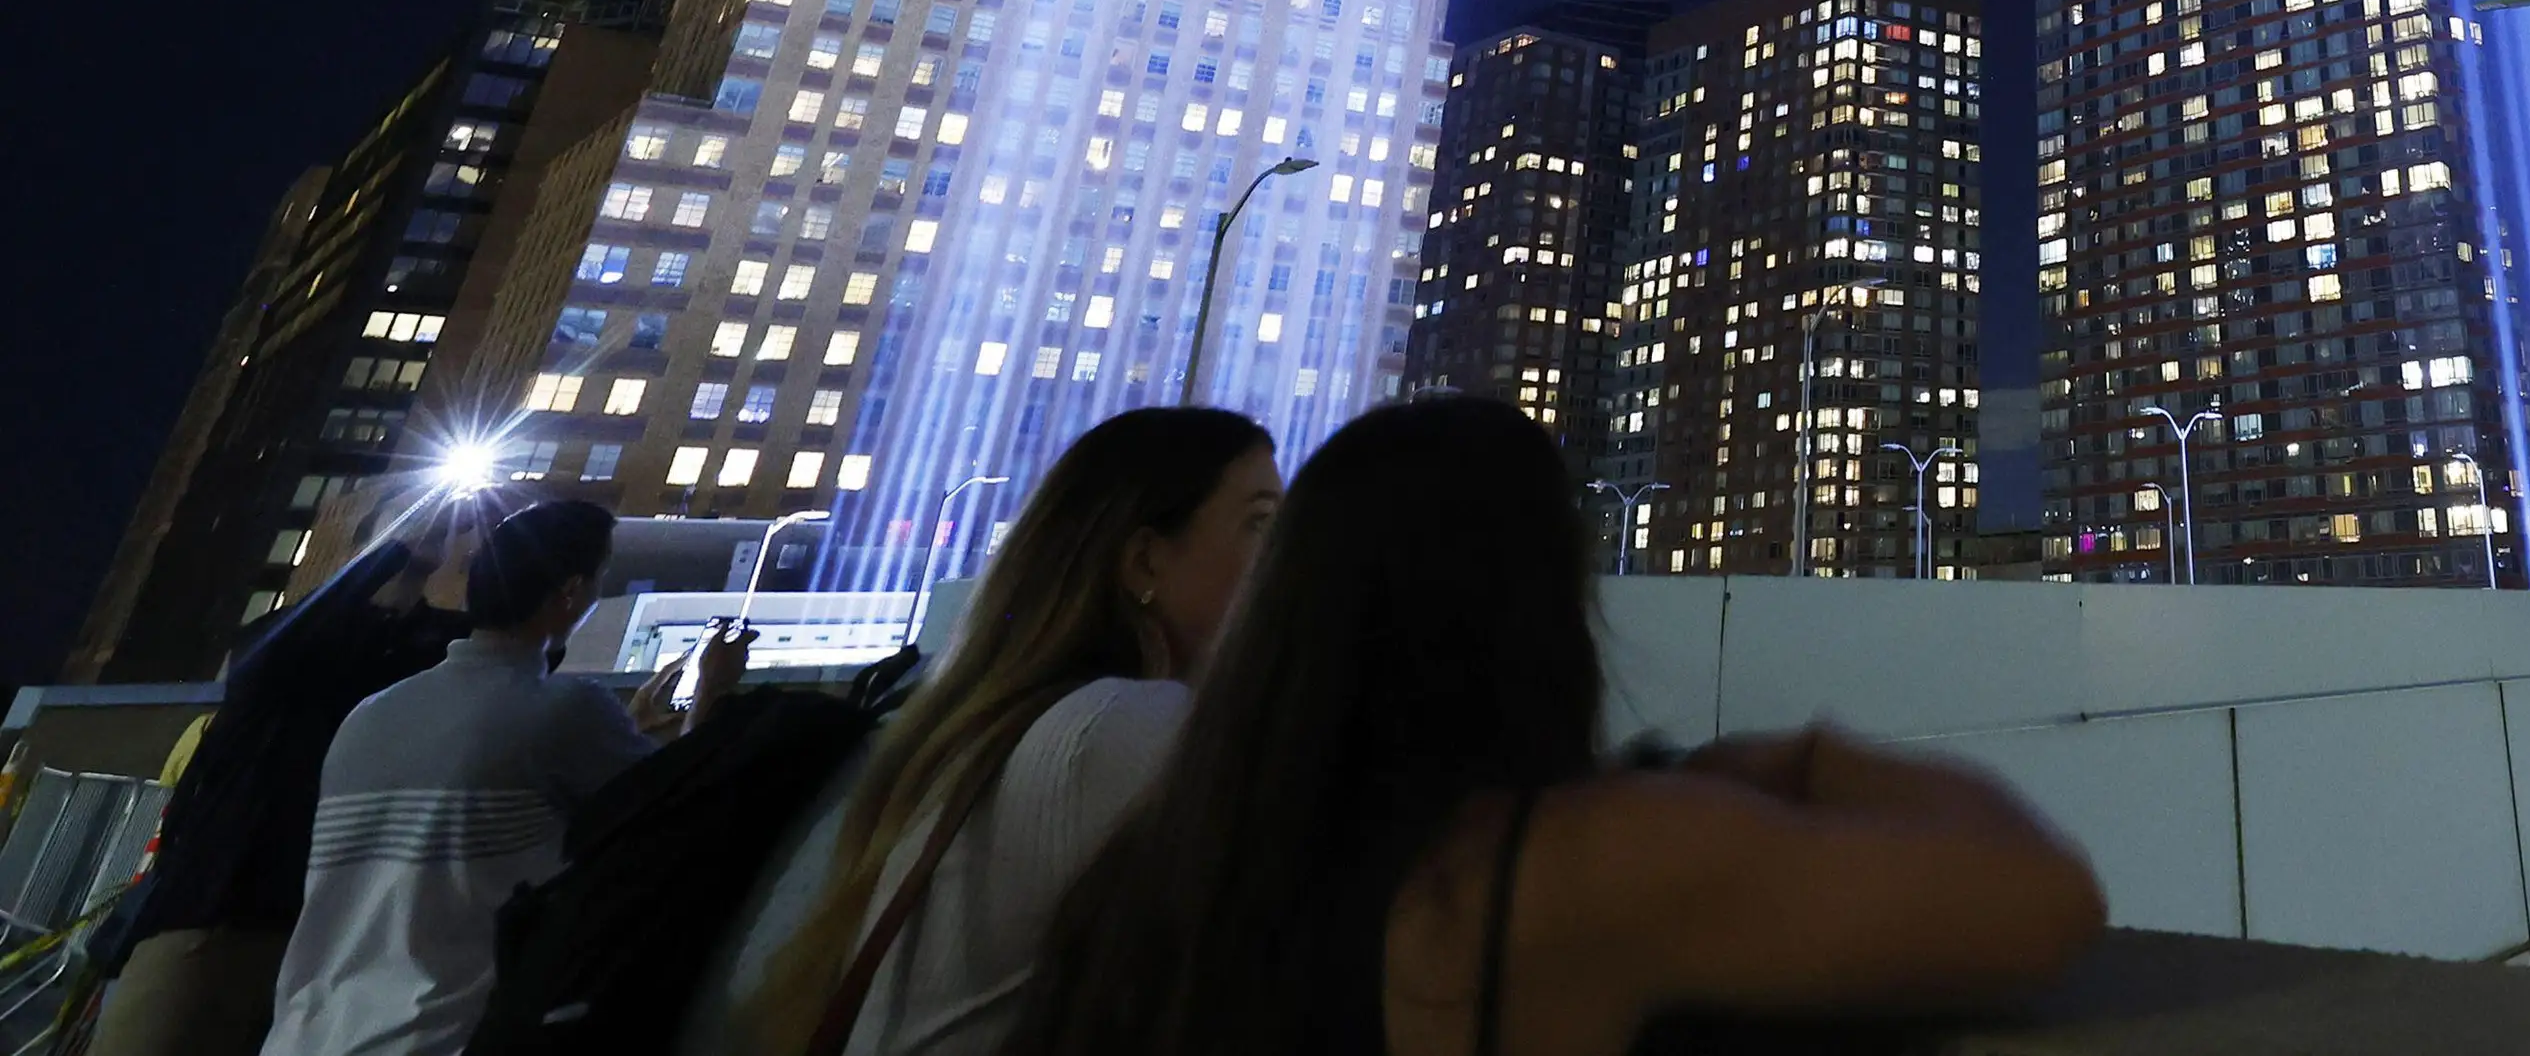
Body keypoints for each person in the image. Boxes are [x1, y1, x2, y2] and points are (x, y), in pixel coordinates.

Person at [1006, 397, 2107, 1056]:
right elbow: (2046, 903)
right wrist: (1804, 757)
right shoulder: (1560, 864)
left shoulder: (1152, 872)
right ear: (1535, 603)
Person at [747, 408, 1277, 1056]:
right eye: (1260, 524)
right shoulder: (1121, 727)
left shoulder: (1008, 723)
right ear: (1144, 562)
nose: (1288, 559)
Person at [253, 499, 742, 1056]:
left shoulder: (369, 715)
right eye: (600, 577)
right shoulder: (563, 709)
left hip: (306, 1037)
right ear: (571, 591)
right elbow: (684, 806)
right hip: (437, 1038)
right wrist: (711, 692)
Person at [91, 526, 479, 1056]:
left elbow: (519, 648)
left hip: (342, 941)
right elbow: (281, 647)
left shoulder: (435, 645)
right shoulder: (286, 634)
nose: (436, 524)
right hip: (218, 918)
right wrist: (392, 551)